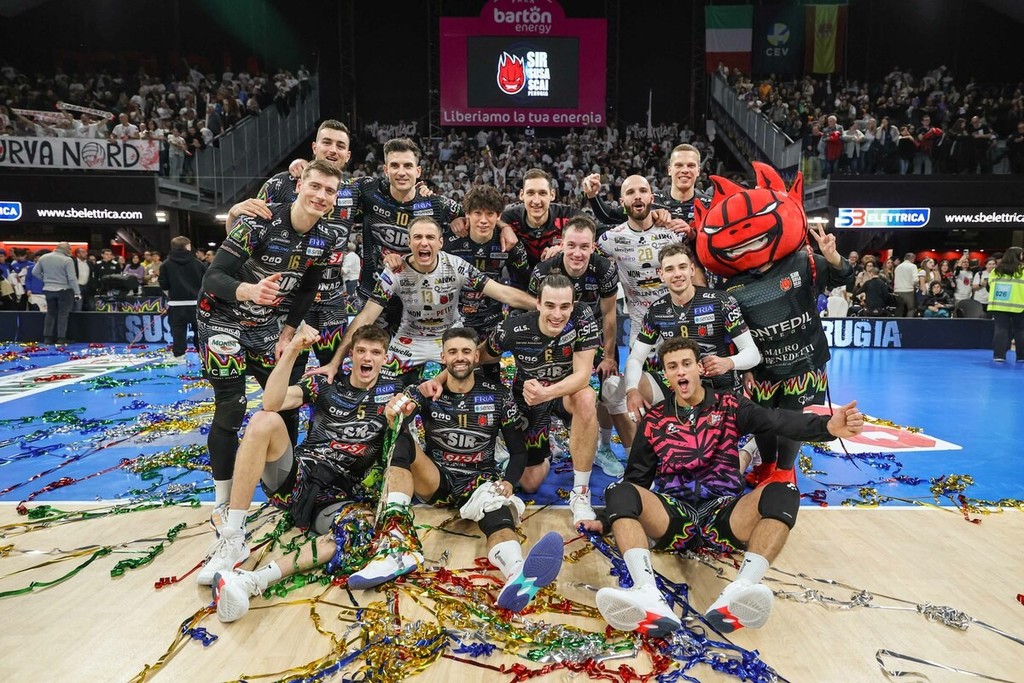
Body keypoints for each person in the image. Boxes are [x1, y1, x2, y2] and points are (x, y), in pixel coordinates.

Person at [586, 337, 864, 637]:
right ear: (665, 375)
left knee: (784, 490)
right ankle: (647, 593)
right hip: (674, 518)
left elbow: (777, 421)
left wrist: (827, 427)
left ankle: (741, 589)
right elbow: (636, 480)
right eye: (672, 367)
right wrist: (606, 519)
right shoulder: (654, 420)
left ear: (699, 368)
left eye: (686, 364)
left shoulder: (730, 405)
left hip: (725, 516)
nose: (681, 372)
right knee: (618, 490)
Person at [348, 328, 564, 612]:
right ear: (443, 357)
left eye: (465, 352)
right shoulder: (427, 391)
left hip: (479, 483)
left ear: (476, 357)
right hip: (437, 480)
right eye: (452, 352)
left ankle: (516, 573)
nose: (459, 357)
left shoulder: (499, 396)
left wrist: (510, 482)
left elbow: (519, 452)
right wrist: (394, 413)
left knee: (499, 518)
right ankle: (397, 546)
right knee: (401, 439)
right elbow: (397, 421)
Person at [205, 324, 400, 621]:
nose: (367, 357)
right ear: (350, 355)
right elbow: (271, 402)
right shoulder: (325, 383)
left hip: (339, 497)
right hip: (297, 480)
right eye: (361, 350)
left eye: (375, 352)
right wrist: (293, 349)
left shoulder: (394, 393)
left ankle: (251, 581)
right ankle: (233, 536)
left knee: (359, 529)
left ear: (385, 358)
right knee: (263, 420)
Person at [196, 159, 345, 515]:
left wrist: (288, 331)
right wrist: (249, 290)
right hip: (221, 320)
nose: (321, 195)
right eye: (315, 186)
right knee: (232, 406)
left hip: (269, 327)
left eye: (329, 190)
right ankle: (224, 501)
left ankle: (283, 491)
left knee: (284, 404)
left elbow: (308, 289)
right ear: (299, 186)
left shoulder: (328, 237)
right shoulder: (259, 221)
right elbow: (213, 277)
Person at [437, 274, 602, 525]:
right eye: (550, 306)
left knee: (587, 398)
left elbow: (582, 377)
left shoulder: (582, 317)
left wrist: (547, 393)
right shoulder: (512, 328)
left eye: (564, 306)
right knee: (530, 483)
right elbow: (476, 357)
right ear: (538, 303)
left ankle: (580, 493)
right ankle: (547, 451)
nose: (557, 314)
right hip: (527, 398)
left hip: (564, 393)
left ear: (573, 305)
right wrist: (438, 380)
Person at [320, 216, 535, 387]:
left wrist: (541, 306)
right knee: (381, 389)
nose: (424, 242)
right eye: (418, 237)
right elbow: (366, 316)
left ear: (440, 243)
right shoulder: (395, 271)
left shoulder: (457, 266)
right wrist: (335, 363)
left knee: (466, 387)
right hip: (409, 341)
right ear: (409, 242)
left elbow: (502, 292)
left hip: (449, 337)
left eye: (430, 237)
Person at [226, 120, 360, 369]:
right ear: (314, 147)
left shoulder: (355, 191)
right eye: (327, 142)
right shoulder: (280, 184)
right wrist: (233, 213)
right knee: (285, 370)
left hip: (331, 300)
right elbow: (240, 236)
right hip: (286, 301)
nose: (333, 150)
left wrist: (423, 192)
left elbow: (394, 195)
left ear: (348, 155)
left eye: (340, 145)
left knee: (334, 369)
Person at [611, 243, 760, 427]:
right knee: (613, 387)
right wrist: (631, 390)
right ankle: (641, 442)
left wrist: (729, 362)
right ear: (661, 275)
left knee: (709, 441)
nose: (677, 274)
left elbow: (753, 353)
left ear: (691, 270)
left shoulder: (721, 302)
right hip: (678, 385)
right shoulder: (656, 310)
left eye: (682, 267)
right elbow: (635, 358)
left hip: (720, 387)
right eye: (670, 269)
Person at [529, 215, 626, 472]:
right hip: (555, 335)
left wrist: (608, 356)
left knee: (609, 388)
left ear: (593, 247)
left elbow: (609, 314)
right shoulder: (543, 271)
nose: (577, 253)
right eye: (571, 245)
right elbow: (534, 315)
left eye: (584, 246)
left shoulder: (604, 269)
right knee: (545, 386)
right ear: (561, 244)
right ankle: (546, 437)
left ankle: (604, 447)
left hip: (593, 332)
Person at [583, 144, 712, 285]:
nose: (685, 170)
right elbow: (609, 216)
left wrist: (692, 234)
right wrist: (592, 195)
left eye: (691, 165)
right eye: (679, 165)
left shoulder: (710, 205)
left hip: (701, 280)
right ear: (670, 170)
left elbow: (718, 246)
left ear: (698, 170)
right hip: (660, 284)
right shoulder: (651, 201)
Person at [443, 184, 531, 381]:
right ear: (467, 214)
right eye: (477, 213)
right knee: (455, 378)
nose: (483, 220)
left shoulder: (509, 244)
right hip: (454, 321)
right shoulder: (448, 241)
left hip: (491, 321)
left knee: (491, 380)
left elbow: (526, 279)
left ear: (498, 215)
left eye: (490, 214)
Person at [500, 168, 580, 267]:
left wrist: (566, 248)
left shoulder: (568, 216)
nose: (536, 201)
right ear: (521, 195)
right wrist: (504, 227)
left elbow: (595, 234)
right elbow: (488, 219)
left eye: (542, 193)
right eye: (530, 193)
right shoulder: (508, 217)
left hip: (557, 275)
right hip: (517, 275)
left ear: (552, 195)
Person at [159, 236, 207, 358]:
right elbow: (206, 284)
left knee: (178, 332)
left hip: (176, 305)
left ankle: (179, 355)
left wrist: (172, 295)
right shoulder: (198, 264)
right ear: (187, 247)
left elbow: (163, 285)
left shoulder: (165, 265)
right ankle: (202, 355)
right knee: (200, 332)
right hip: (196, 304)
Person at [32, 242, 80, 344]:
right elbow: (72, 278)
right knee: (63, 314)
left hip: (48, 289)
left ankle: (47, 338)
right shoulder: (67, 260)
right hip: (64, 290)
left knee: (50, 313)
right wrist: (77, 292)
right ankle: (61, 338)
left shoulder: (44, 257)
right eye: (70, 249)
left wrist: (46, 280)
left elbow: (35, 272)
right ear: (66, 249)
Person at [987, 246, 1024, 362]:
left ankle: (999, 356)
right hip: (1019, 305)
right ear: (1018, 256)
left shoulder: (995, 271)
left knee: (1000, 329)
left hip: (998, 305)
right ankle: (1021, 357)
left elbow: (989, 285)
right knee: (1020, 330)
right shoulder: (1022, 270)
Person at [893, 252, 919, 317]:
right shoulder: (913, 266)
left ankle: (898, 322)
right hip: (908, 291)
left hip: (897, 291)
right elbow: (915, 280)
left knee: (899, 309)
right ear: (912, 259)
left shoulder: (898, 267)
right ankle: (909, 322)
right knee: (911, 309)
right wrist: (915, 286)